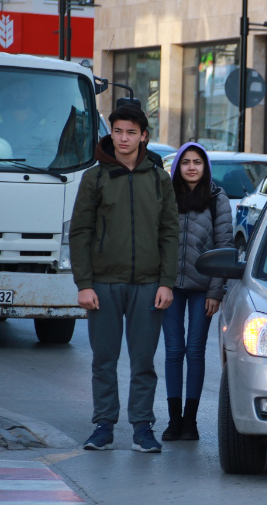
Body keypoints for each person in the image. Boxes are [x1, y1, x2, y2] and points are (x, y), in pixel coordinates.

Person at [69, 105, 179, 453]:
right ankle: (103, 425)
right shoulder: (95, 177)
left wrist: (166, 281)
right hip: (103, 283)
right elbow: (80, 232)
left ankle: (142, 427)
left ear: (143, 136)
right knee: (104, 359)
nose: (124, 138)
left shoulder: (159, 179)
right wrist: (84, 283)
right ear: (110, 133)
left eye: (131, 132)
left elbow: (169, 232)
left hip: (148, 285)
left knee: (143, 361)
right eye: (118, 131)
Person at [161, 143, 233, 441]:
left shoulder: (217, 198)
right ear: (177, 166)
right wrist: (159, 282)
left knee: (195, 351)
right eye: (186, 162)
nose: (192, 167)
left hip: (203, 289)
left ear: (205, 167)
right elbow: (158, 240)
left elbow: (225, 246)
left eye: (198, 162)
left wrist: (216, 291)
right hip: (170, 287)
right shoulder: (166, 196)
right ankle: (173, 420)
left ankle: (190, 420)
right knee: (173, 351)